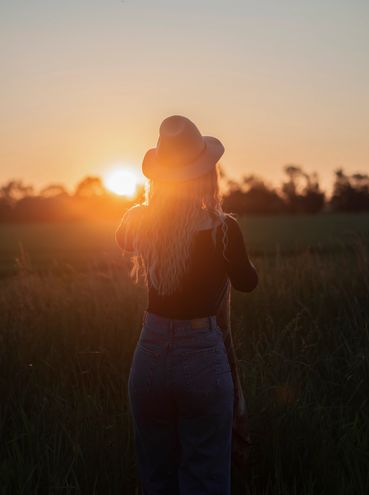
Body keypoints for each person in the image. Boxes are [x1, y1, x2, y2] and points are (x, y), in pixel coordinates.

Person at [115, 115, 258, 494]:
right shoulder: (224, 228)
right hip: (202, 357)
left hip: (149, 357)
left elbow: (123, 239)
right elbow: (248, 283)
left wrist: (154, 206)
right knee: (206, 475)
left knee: (155, 478)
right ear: (206, 174)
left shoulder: (139, 221)